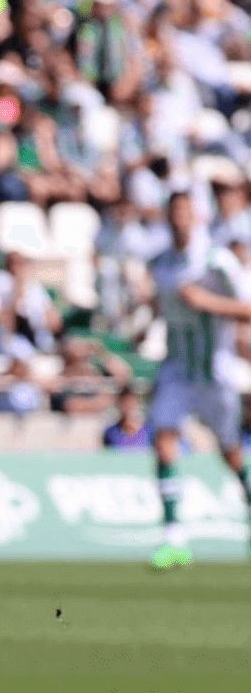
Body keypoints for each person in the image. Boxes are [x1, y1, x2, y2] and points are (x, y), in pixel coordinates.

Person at [147, 192, 251, 570]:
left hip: (215, 371)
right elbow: (161, 307)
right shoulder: (160, 263)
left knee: (230, 451)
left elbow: (247, 308)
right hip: (177, 367)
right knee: (164, 437)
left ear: (197, 217)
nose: (180, 218)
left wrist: (206, 302)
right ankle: (173, 537)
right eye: (174, 211)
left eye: (186, 212)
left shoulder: (217, 260)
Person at [101, 385, 152, 450]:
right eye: (125, 403)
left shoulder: (149, 431)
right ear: (118, 405)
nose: (129, 407)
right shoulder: (110, 433)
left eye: (131, 402)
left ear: (138, 403)